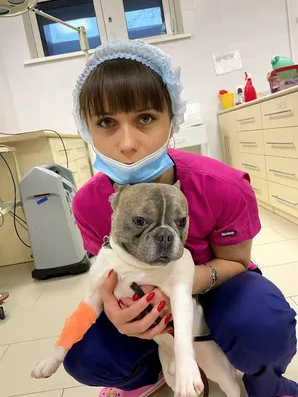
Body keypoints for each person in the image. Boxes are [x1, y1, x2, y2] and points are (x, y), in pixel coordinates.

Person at [64, 40, 298, 397]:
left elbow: (237, 261)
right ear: (86, 128)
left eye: (145, 118)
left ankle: (265, 385)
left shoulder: (223, 186)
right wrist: (113, 310)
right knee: (85, 355)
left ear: (172, 118)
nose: (127, 144)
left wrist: (187, 281)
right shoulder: (88, 204)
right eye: (106, 122)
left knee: (263, 326)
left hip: (218, 285)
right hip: (145, 298)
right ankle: (148, 374)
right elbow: (108, 273)